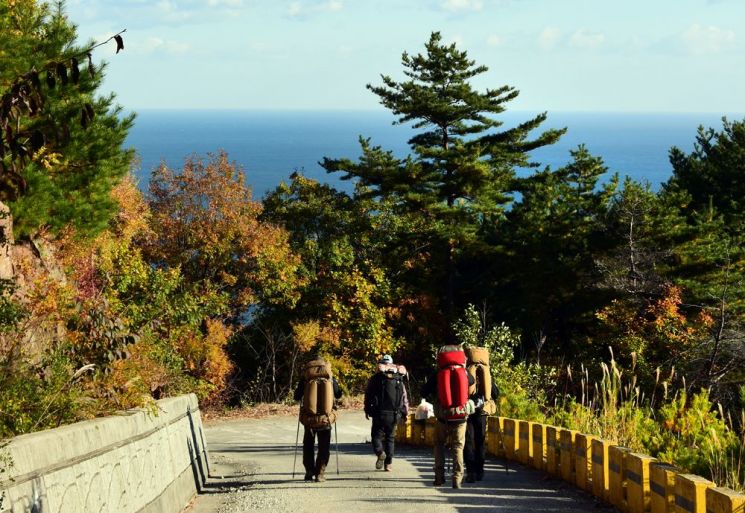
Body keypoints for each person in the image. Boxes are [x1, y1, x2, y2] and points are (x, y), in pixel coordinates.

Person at [422, 345, 475, 489]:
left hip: (443, 417)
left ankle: (439, 478)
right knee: (458, 447)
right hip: (460, 417)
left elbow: (424, 391)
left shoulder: (438, 373)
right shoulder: (463, 372)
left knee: (439, 445)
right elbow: (472, 382)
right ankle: (457, 479)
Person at [294, 356, 342, 482]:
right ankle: (320, 473)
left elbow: (296, 396)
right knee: (323, 446)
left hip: (309, 419)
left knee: (308, 445)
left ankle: (309, 471)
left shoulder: (306, 377)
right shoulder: (330, 377)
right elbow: (338, 394)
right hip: (325, 419)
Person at [363, 354, 409, 472]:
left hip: (379, 413)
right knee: (390, 438)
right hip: (394, 414)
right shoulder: (398, 378)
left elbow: (369, 395)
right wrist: (405, 412)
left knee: (376, 436)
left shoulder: (376, 378)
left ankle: (380, 452)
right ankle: (388, 464)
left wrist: (367, 409)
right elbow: (404, 397)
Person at [463, 346, 500, 483]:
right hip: (482, 412)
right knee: (480, 442)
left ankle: (470, 472)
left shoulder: (466, 372)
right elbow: (495, 393)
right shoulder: (487, 374)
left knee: (468, 441)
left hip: (467, 410)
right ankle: (480, 471)